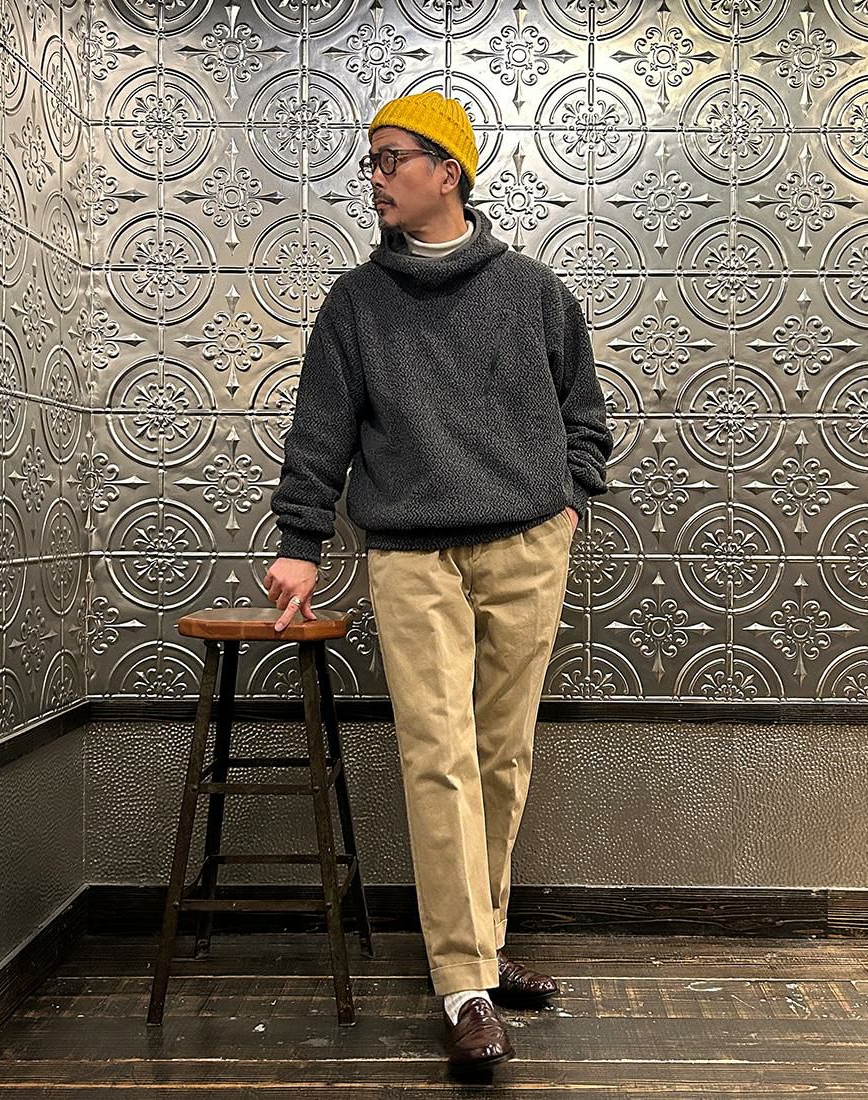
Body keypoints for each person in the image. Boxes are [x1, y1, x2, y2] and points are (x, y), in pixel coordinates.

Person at [265, 89, 612, 1069]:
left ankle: (485, 951)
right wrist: (300, 540)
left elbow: (585, 416)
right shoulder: (355, 304)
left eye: (390, 159)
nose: (373, 177)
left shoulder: (533, 291)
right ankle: (461, 983)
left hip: (524, 548)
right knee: (437, 756)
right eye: (370, 161)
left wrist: (568, 502)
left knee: (501, 756)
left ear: (445, 171)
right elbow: (319, 432)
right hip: (411, 557)